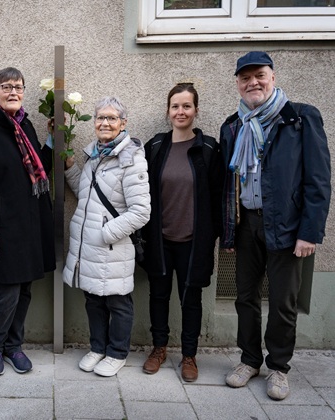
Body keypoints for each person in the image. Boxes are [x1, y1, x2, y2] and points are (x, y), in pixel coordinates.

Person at [221, 51, 330, 400]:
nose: (253, 82)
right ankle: (250, 360)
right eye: (245, 77)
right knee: (245, 297)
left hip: (286, 226)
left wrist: (309, 232)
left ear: (272, 76)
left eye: (260, 75)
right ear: (237, 83)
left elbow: (318, 180)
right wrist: (228, 229)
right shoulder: (233, 125)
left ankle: (279, 367)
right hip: (246, 224)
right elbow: (227, 184)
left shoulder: (300, 118)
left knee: (283, 301)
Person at [0, 67, 56, 376]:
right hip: (2, 227)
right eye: (6, 87)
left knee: (26, 288)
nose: (13, 91)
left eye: (18, 86)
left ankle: (14, 346)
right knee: (7, 291)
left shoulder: (24, 124)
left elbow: (36, 166)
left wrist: (55, 142)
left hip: (30, 222)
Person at [62, 96, 150, 377]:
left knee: (118, 301)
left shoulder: (130, 159)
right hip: (89, 246)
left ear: (123, 123)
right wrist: (69, 166)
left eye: (112, 118)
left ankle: (117, 353)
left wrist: (106, 233)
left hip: (112, 247)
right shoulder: (95, 155)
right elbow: (86, 192)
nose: (105, 123)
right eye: (100, 117)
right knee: (93, 300)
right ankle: (98, 348)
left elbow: (141, 212)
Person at [141, 84, 223, 382]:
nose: (180, 112)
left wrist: (217, 235)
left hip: (194, 241)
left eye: (186, 106)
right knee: (158, 296)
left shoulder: (210, 149)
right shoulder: (155, 147)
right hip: (160, 240)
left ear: (196, 111)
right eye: (175, 106)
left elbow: (218, 196)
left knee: (191, 300)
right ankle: (159, 348)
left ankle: (189, 355)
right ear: (168, 111)